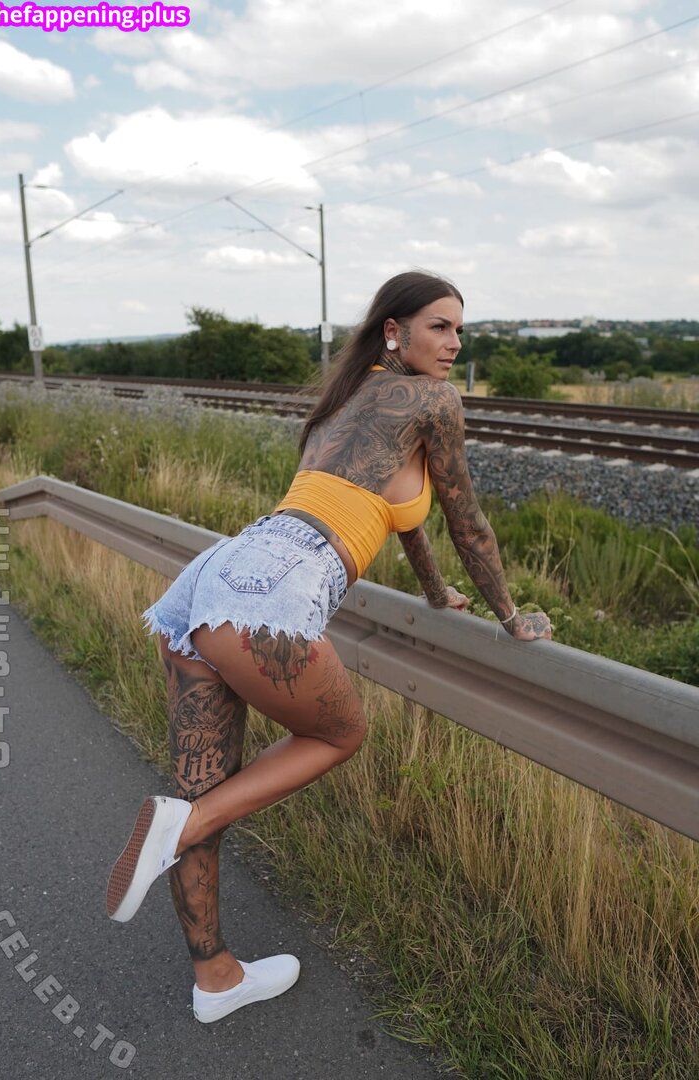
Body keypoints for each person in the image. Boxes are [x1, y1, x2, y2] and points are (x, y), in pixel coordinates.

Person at [106, 269, 552, 1024]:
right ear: (394, 330)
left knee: (205, 789)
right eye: (440, 326)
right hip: (275, 590)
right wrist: (512, 617)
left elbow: (404, 514)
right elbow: (467, 521)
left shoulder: (347, 399)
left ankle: (216, 979)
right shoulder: (436, 401)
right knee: (338, 734)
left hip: (218, 574)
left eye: (460, 330)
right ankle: (181, 828)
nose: (454, 343)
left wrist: (435, 591)